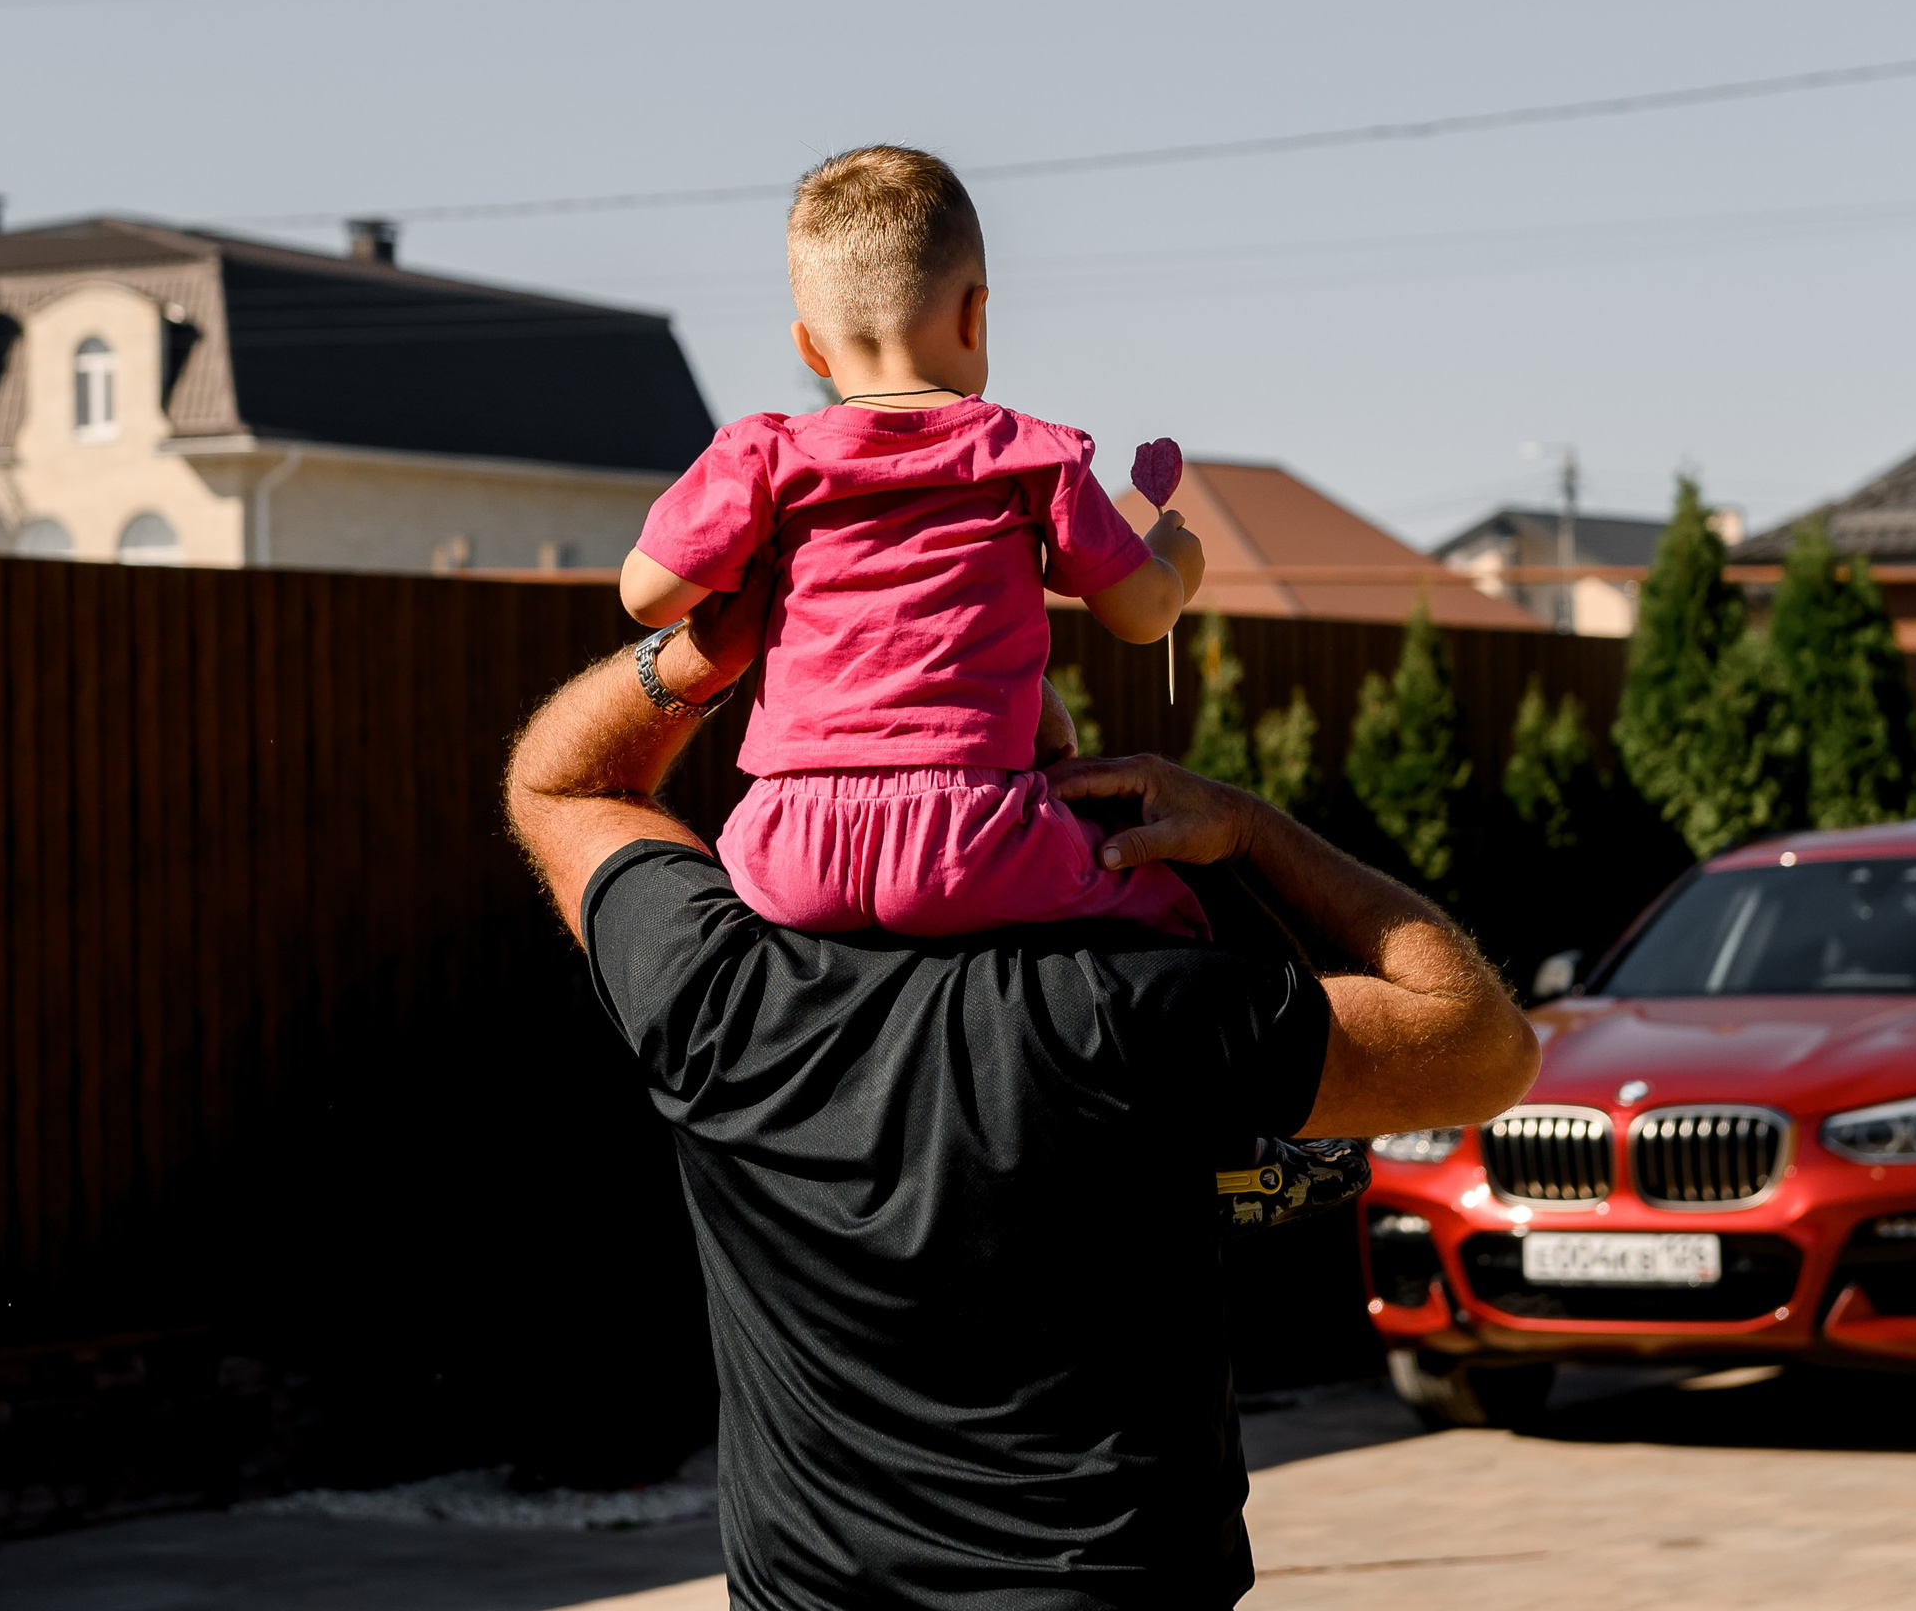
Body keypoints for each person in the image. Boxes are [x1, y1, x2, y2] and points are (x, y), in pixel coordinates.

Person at [502, 574, 1538, 1609]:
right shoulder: (1136, 1011)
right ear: (1050, 794)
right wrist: (1250, 830)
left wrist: (708, 652)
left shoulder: (721, 995)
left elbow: (563, 787)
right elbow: (1484, 1045)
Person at [618, 144, 1209, 940]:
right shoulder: (1029, 457)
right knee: (1172, 908)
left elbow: (646, 595)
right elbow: (1144, 614)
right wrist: (1175, 559)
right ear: (975, 316)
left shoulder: (764, 457)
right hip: (972, 840)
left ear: (810, 348)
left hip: (791, 839)